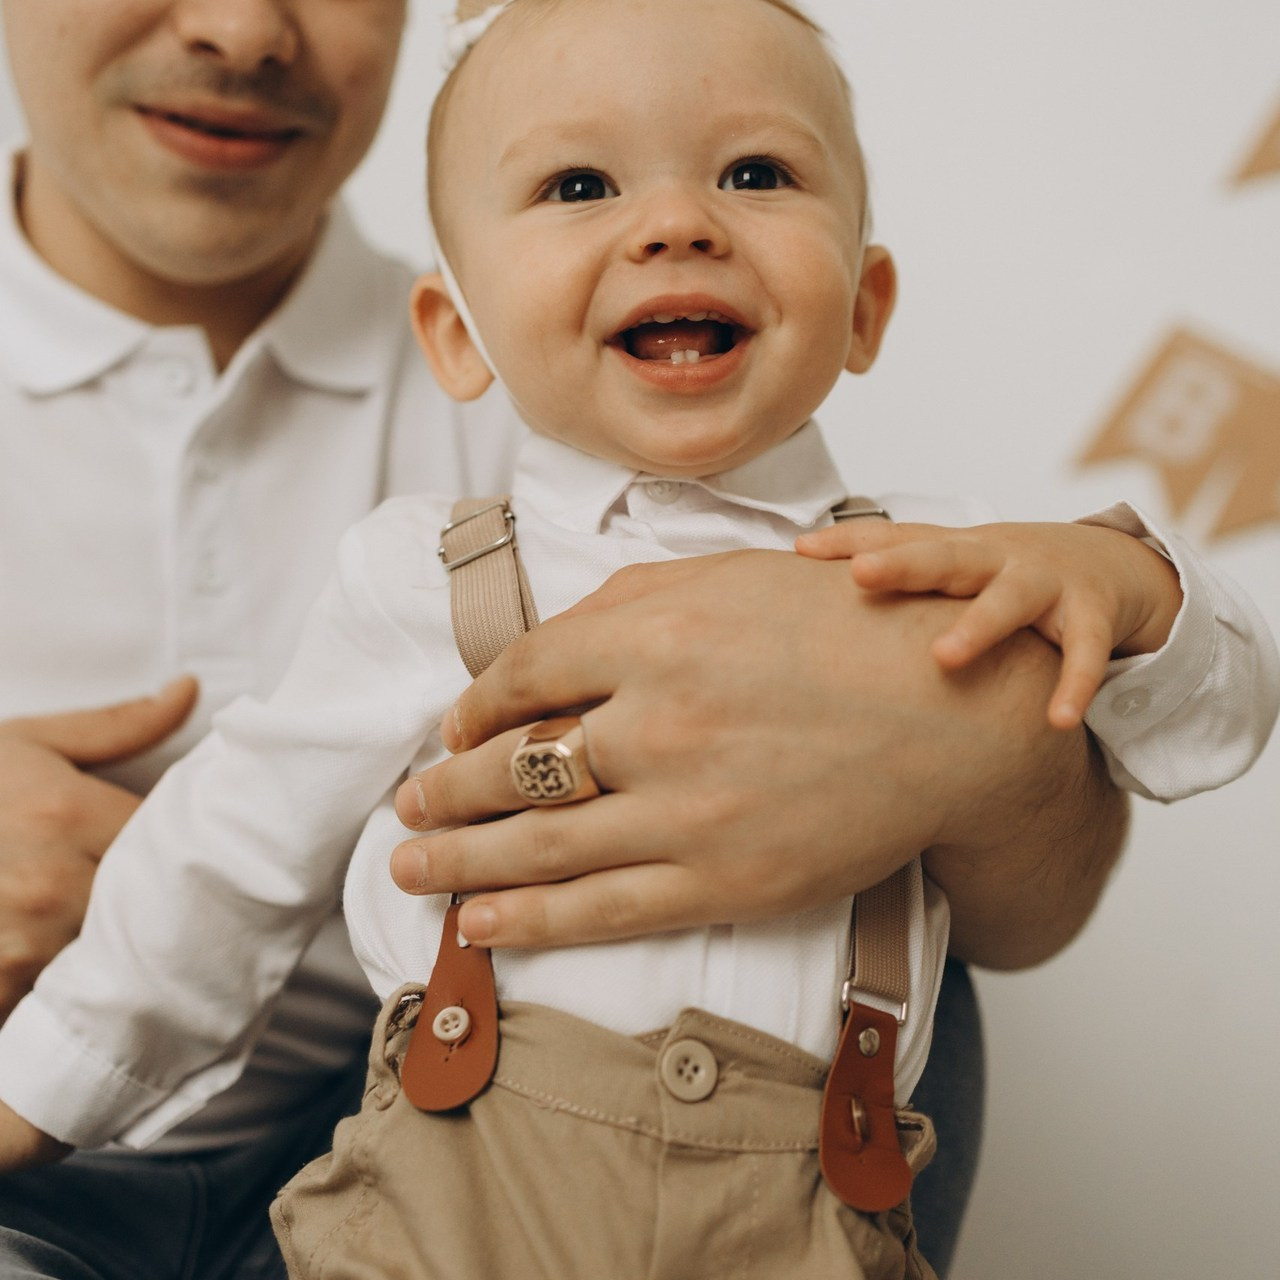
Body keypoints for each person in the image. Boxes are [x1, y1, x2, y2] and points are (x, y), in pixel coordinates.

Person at [0, 1, 1274, 1276]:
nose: (676, 222)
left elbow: (1212, 721)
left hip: (805, 1214)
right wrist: (40, 1089)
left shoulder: (940, 563)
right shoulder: (427, 573)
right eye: (579, 184)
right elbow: (229, 849)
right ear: (457, 335)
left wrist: (1128, 580)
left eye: (755, 173)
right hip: (457, 1197)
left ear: (864, 305)